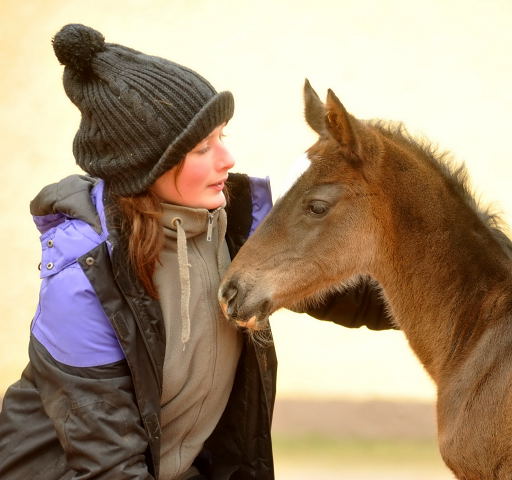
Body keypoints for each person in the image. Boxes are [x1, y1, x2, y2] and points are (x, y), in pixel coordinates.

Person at [0, 24, 394, 480]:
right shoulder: (86, 275)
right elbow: (108, 462)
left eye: (222, 136)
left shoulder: (241, 223)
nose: (226, 159)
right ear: (147, 166)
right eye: (202, 147)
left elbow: (366, 295)